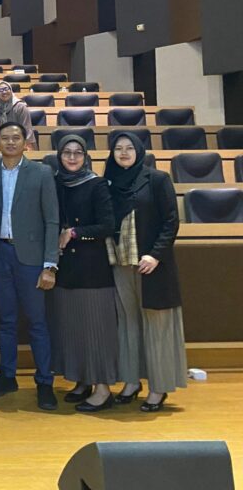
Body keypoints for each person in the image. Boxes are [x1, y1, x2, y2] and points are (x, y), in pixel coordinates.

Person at [0, 122, 60, 411]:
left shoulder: (42, 172)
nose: (11, 142)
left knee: (37, 322)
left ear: (25, 142)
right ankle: (7, 375)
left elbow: (52, 219)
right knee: (6, 320)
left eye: (16, 138)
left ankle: (45, 381)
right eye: (5, 138)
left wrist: (50, 264)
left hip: (32, 258)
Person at [104, 132, 187, 412]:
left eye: (129, 148)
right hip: (120, 263)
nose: (124, 153)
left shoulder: (157, 179)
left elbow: (170, 221)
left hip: (152, 266)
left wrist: (155, 255)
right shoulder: (109, 182)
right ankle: (131, 381)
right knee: (128, 324)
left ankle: (158, 387)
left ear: (139, 151)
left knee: (156, 325)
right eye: (118, 148)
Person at [50, 134, 119, 412]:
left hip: (92, 269)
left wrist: (74, 232)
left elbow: (107, 225)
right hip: (65, 268)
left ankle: (103, 390)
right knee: (73, 328)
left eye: (77, 152)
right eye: (66, 152)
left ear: (86, 156)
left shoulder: (96, 184)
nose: (72, 157)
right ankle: (82, 381)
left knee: (95, 330)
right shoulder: (55, 183)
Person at [0, 81, 37, 150]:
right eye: (0, 90)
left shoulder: (20, 107)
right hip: (3, 145)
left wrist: (26, 146)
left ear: (11, 91)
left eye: (6, 89)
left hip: (22, 144)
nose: (4, 92)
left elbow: (27, 129)